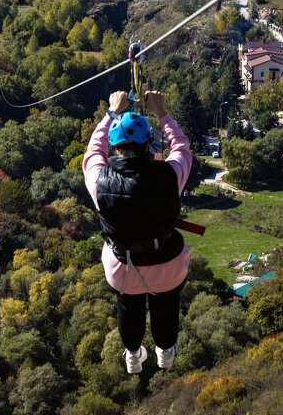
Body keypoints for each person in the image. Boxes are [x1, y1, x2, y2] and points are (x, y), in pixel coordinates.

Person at [83, 89, 192, 374]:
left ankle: (133, 355)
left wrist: (111, 112)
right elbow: (180, 148)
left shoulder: (100, 183)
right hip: (167, 264)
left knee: (128, 307)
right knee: (165, 306)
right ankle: (165, 351)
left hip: (123, 266)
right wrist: (162, 113)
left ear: (114, 147)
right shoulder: (169, 178)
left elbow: (93, 153)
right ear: (148, 147)